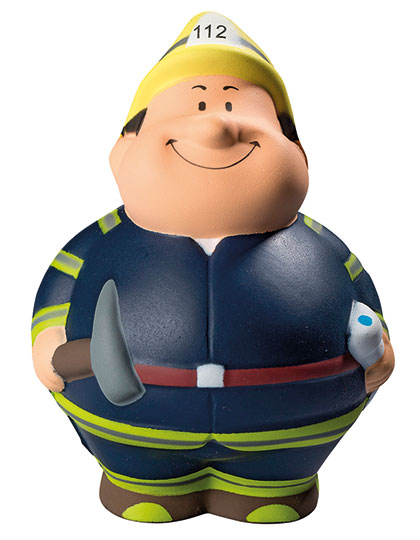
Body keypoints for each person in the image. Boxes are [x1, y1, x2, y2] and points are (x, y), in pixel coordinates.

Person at [32, 12, 394, 523]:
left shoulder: (319, 246)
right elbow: (60, 290)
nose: (218, 126)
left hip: (294, 428)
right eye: (198, 104)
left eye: (232, 105)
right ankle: (146, 481)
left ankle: (272, 486)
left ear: (297, 152)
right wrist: (49, 340)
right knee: (143, 473)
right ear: (124, 148)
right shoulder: (101, 242)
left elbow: (361, 295)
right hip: (131, 427)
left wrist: (379, 346)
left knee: (274, 477)